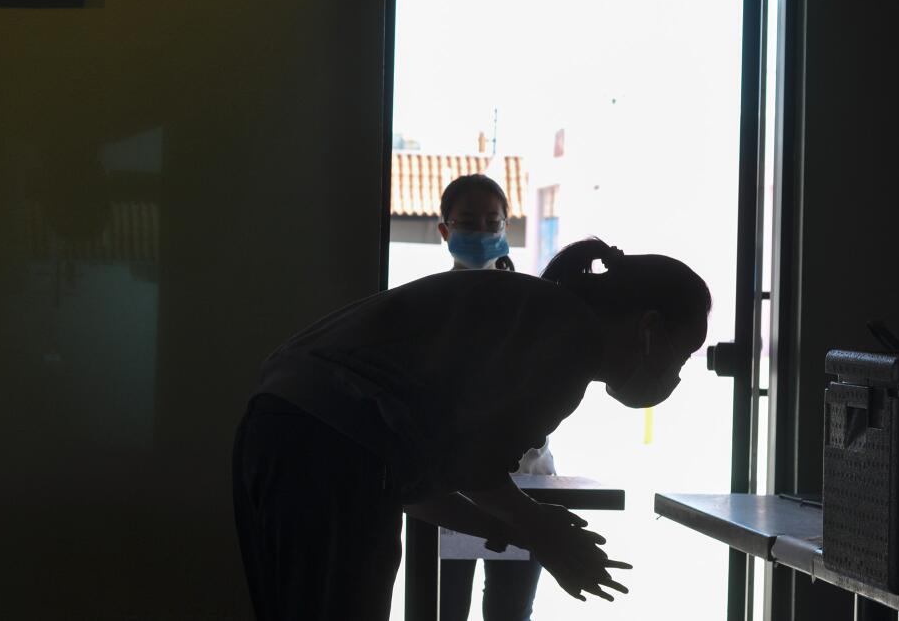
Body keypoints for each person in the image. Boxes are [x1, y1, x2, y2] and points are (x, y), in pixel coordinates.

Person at [232, 236, 712, 621]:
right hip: (323, 453)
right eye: (685, 352)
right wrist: (543, 530)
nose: (676, 372)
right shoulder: (571, 339)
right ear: (649, 328)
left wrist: (517, 529)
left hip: (278, 433)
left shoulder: (533, 312)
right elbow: (474, 467)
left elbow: (410, 482)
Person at [434, 174, 550, 621]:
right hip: (450, 488)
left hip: (527, 480)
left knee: (510, 611)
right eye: (467, 222)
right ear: (445, 230)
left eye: (491, 221)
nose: (481, 232)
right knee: (446, 609)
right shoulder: (428, 304)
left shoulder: (532, 303)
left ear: (505, 227)